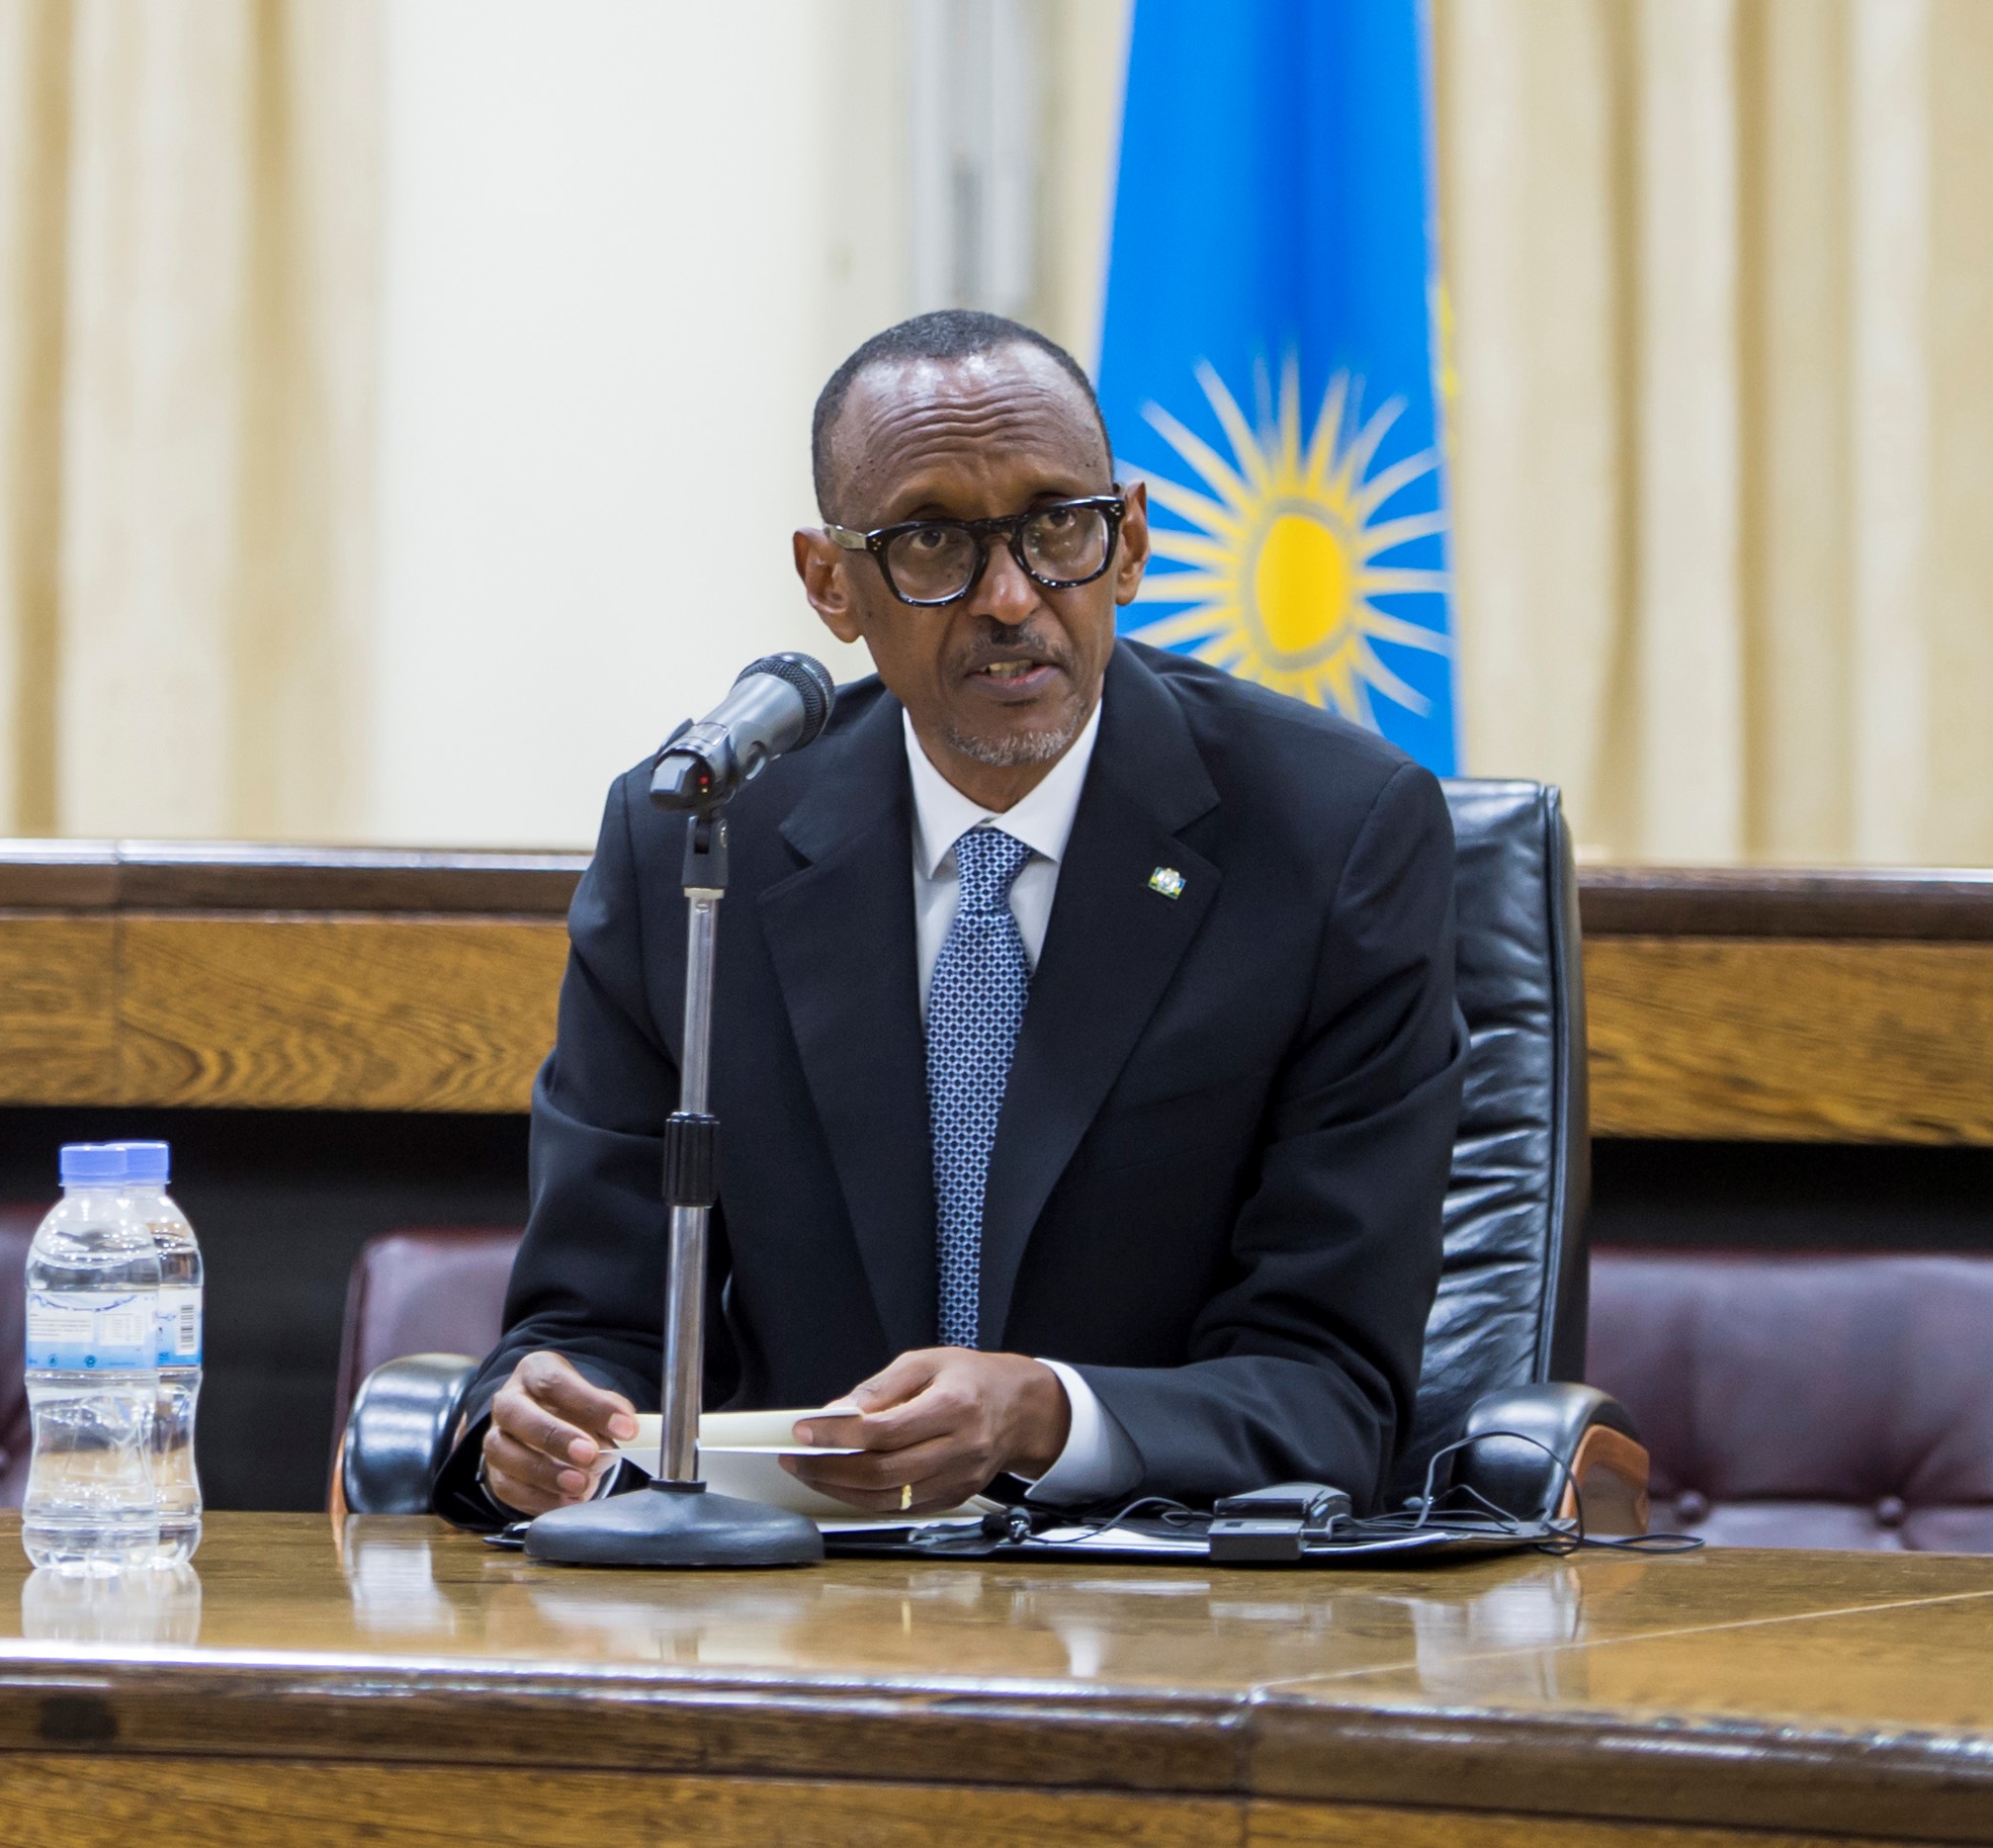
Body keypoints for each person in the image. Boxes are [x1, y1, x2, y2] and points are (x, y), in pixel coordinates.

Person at [443, 308, 1459, 1526]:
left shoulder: (1331, 838)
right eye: (930, 541)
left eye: (1057, 526)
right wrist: (536, 1425)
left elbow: (1332, 1391)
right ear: (829, 584)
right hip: (787, 1585)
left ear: (1130, 543)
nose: (1009, 597)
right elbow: (588, 1322)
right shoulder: (700, 849)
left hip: (1167, 1588)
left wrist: (1046, 1416)